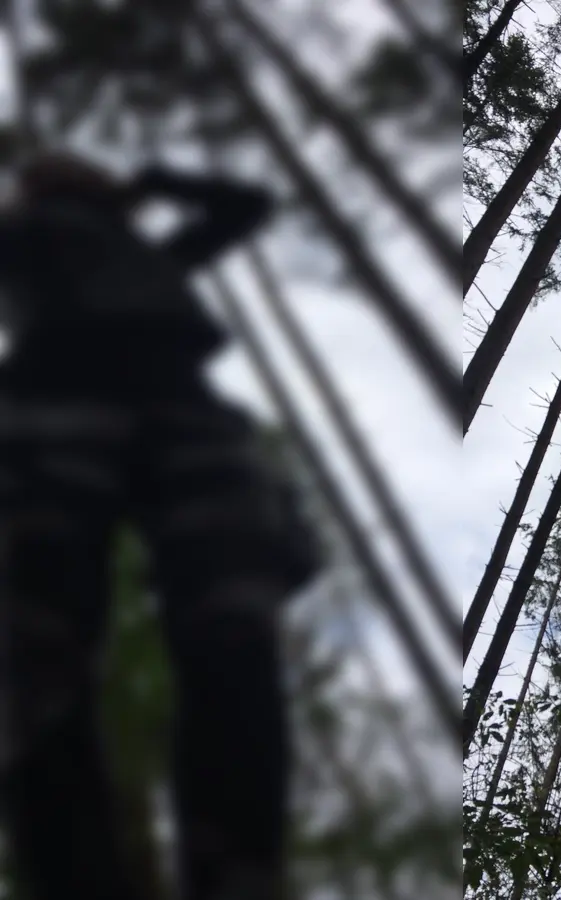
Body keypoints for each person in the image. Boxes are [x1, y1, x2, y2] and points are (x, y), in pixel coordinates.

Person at [0, 152, 321, 900]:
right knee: (33, 638)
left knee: (234, 627)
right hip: (55, 405)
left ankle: (238, 873)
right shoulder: (25, 234)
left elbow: (244, 202)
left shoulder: (150, 255)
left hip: (177, 409)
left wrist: (153, 181)